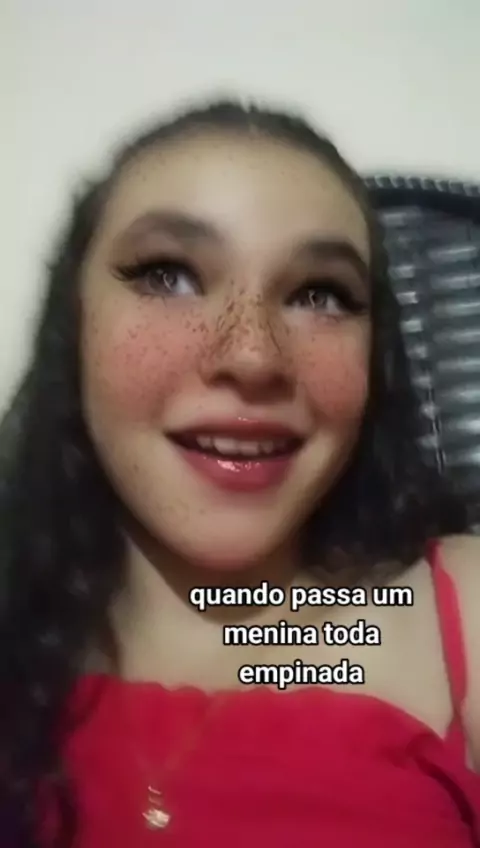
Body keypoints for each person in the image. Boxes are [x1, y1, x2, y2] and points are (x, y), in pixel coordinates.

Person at [1, 98, 479, 848]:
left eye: (321, 295)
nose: (252, 356)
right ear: (76, 327)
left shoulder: (466, 607)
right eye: (168, 275)